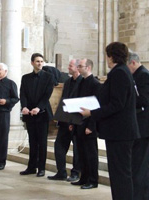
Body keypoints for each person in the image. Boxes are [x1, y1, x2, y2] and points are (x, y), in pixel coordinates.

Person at [81, 42, 139, 200]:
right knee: (118, 173)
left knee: (120, 174)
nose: (106, 58)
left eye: (107, 55)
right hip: (119, 131)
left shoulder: (119, 72)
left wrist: (92, 113)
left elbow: (117, 104)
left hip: (120, 132)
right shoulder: (120, 71)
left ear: (111, 56)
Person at [20, 53, 54, 177]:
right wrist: (24, 106)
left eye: (41, 61)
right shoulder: (25, 78)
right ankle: (31, 167)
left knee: (42, 142)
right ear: (32, 63)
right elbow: (22, 93)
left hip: (42, 114)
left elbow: (47, 95)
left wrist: (38, 108)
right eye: (37, 61)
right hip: (29, 114)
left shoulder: (48, 77)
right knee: (32, 141)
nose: (40, 63)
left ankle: (42, 168)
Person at [47, 59, 81, 181]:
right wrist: (59, 118)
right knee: (59, 146)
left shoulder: (82, 82)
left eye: (70, 65)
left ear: (78, 67)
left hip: (77, 120)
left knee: (77, 148)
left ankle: (76, 172)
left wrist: (73, 121)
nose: (68, 68)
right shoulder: (67, 82)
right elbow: (63, 100)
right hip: (65, 120)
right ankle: (61, 172)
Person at [71, 58, 101, 189]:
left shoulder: (95, 84)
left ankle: (93, 180)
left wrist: (91, 126)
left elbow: (97, 107)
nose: (78, 68)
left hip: (89, 124)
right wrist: (73, 122)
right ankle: (83, 178)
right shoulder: (80, 82)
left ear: (88, 67)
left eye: (80, 66)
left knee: (91, 154)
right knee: (81, 153)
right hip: (79, 123)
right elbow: (78, 103)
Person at [0, 63, 19, 170]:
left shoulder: (11, 84)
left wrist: (6, 101)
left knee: (2, 137)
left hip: (4, 113)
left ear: (5, 71)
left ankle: (2, 161)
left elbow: (15, 98)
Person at [127, 52, 149, 200]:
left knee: (141, 165)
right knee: (136, 164)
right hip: (137, 126)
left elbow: (144, 100)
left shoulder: (144, 75)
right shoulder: (137, 75)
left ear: (133, 63)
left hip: (144, 127)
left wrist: (126, 99)